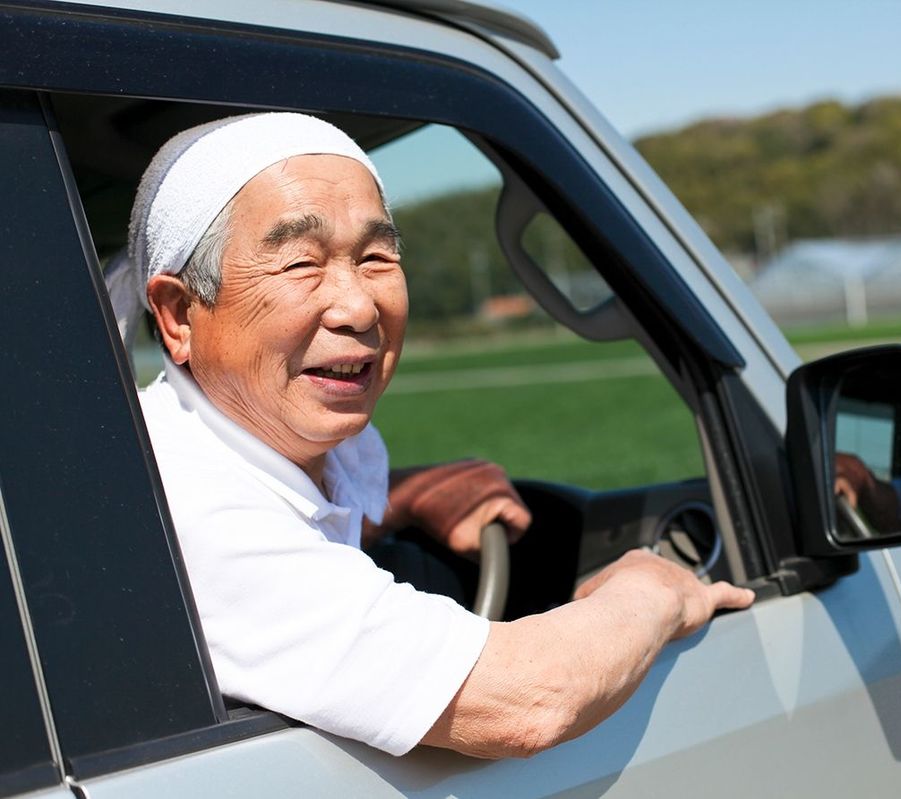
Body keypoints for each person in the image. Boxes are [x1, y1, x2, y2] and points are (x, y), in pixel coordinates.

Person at [129, 112, 754, 760]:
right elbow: (528, 699)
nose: (358, 306)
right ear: (179, 314)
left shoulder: (211, 451)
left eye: (376, 257)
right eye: (299, 263)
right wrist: (655, 590)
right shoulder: (191, 512)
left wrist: (397, 497)